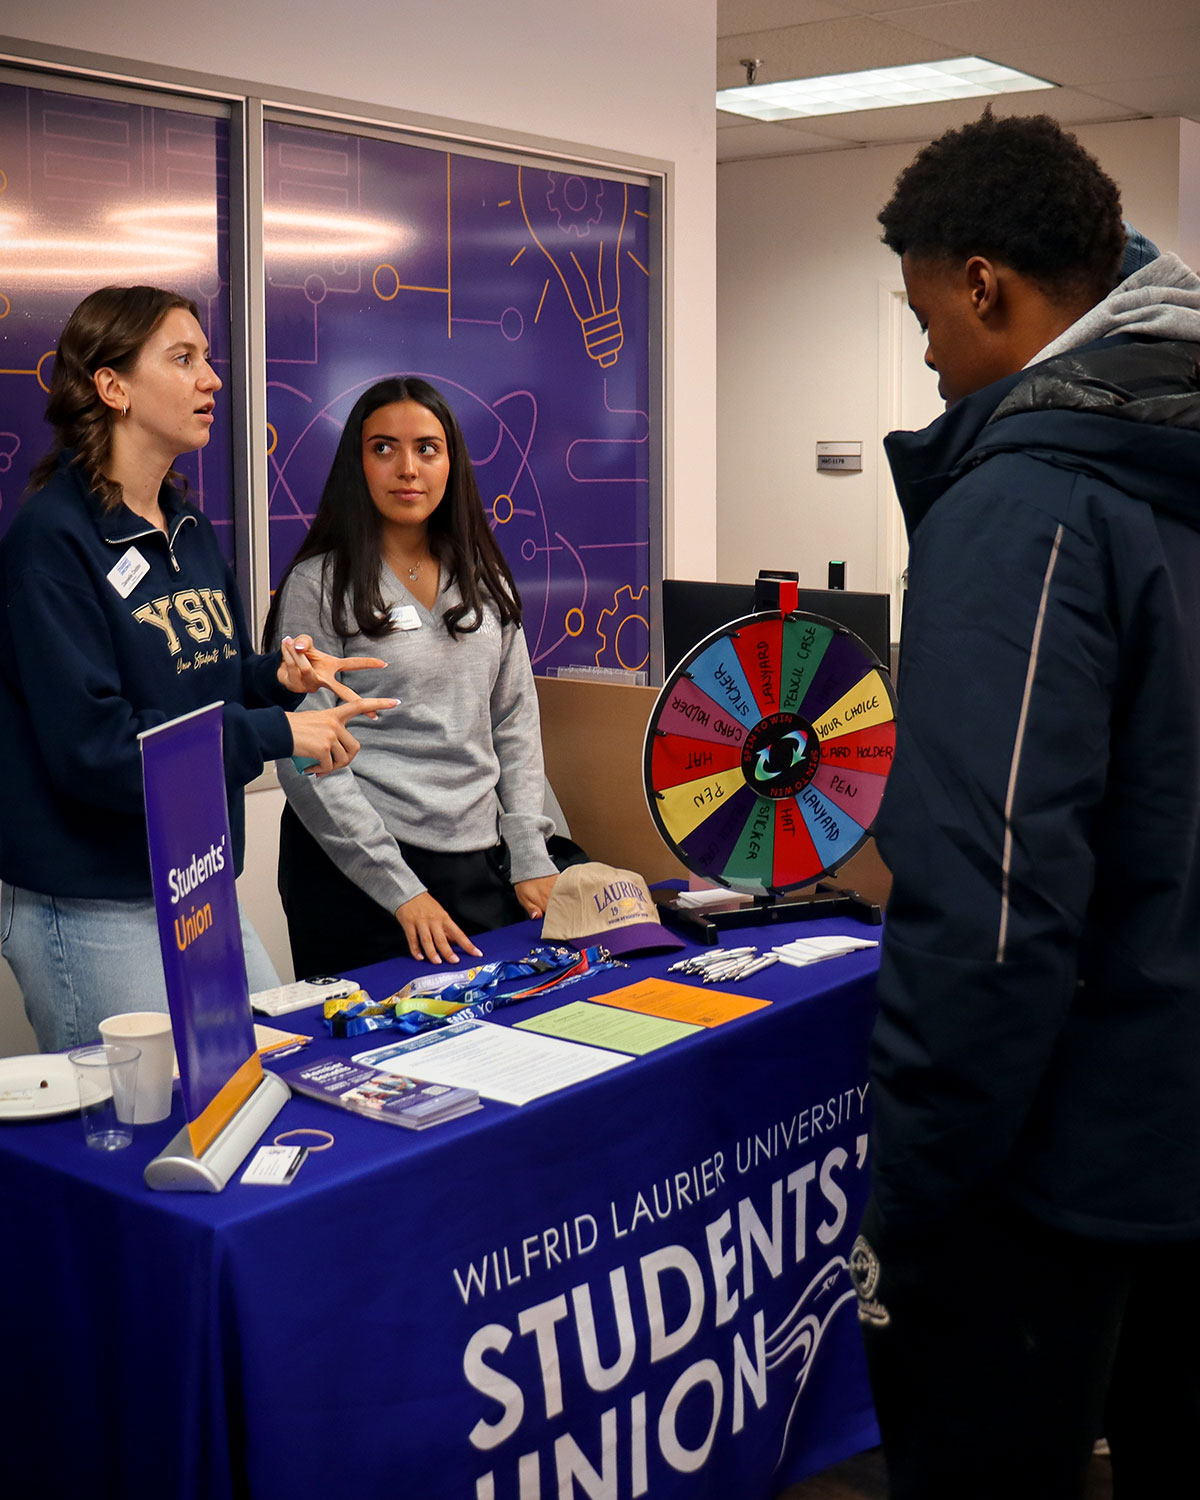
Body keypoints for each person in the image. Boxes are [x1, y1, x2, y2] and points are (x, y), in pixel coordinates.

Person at [852, 111, 1200, 1497]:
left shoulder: (1024, 503)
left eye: (928, 312)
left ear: (985, 282)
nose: (929, 352)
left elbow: (992, 901)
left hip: (1055, 1165)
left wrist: (916, 1185)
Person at [0, 286, 395, 1052]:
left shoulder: (186, 525)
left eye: (206, 359)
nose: (212, 380)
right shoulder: (51, 544)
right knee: (135, 1139)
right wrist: (279, 732)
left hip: (194, 874)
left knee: (271, 1076)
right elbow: (100, 750)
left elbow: (197, 686)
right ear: (112, 386)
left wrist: (273, 681)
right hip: (95, 897)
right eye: (183, 359)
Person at [264, 376, 559, 974]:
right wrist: (401, 890)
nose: (407, 468)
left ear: (451, 462)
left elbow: (514, 726)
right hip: (356, 873)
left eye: (427, 448)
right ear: (358, 463)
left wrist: (531, 853)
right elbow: (305, 757)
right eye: (383, 448)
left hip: (476, 860)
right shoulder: (318, 586)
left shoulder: (487, 583)